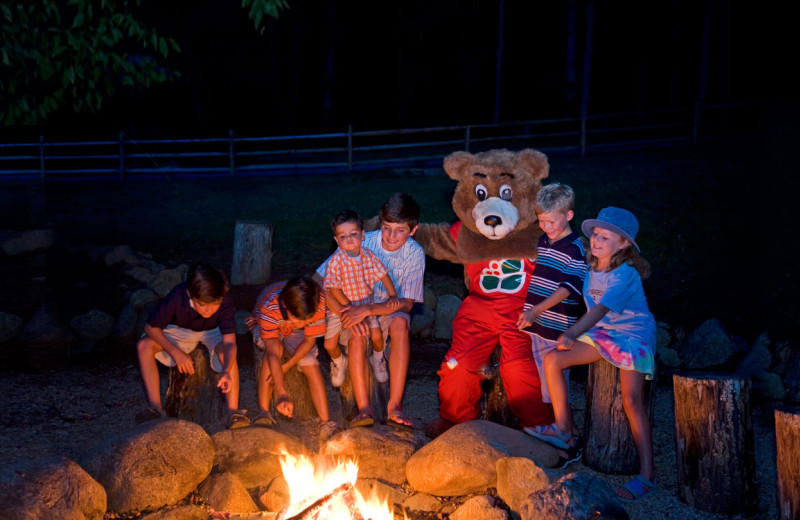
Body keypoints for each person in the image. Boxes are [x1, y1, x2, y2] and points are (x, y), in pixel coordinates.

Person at [526, 207, 657, 501]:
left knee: (631, 400)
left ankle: (647, 474)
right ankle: (565, 431)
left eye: (606, 237)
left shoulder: (625, 275)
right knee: (553, 359)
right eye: (595, 235)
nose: (596, 241)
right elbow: (581, 301)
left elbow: (599, 309)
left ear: (623, 244)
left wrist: (572, 332)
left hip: (633, 335)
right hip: (603, 333)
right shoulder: (590, 268)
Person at [315, 193, 425, 430]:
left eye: (400, 230)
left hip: (383, 310)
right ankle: (364, 407)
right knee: (357, 336)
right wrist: (347, 313)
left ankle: (394, 405)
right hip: (351, 308)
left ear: (413, 230)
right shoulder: (360, 239)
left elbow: (406, 304)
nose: (391, 236)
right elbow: (318, 281)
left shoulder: (414, 254)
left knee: (401, 324)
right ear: (379, 224)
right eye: (387, 228)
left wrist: (367, 309)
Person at [516, 183, 587, 468]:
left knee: (556, 378)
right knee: (544, 378)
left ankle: (565, 434)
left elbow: (567, 289)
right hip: (537, 322)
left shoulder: (576, 248)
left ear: (568, 215)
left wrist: (535, 310)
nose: (546, 227)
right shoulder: (545, 241)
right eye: (541, 221)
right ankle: (564, 430)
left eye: (552, 221)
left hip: (557, 322)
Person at [136, 262, 249, 429]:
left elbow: (230, 343)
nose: (209, 310)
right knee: (144, 346)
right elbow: (151, 328)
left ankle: (233, 412)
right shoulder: (178, 296)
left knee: (227, 354)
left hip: (212, 331)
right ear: (190, 294)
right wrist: (176, 352)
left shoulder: (224, 300)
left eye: (214, 305)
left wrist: (225, 371)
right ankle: (156, 409)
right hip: (179, 330)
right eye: (202, 304)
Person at [245, 277, 339, 441]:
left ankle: (325, 422)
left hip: (293, 329)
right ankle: (264, 412)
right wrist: (282, 393)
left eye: (306, 320)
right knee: (273, 353)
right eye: (299, 319)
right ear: (285, 305)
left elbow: (309, 341)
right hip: (268, 325)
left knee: (310, 362)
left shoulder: (315, 300)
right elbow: (273, 352)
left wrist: (287, 366)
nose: (302, 323)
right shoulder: (269, 307)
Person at [322, 210, 400, 388]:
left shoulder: (369, 256)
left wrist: (393, 294)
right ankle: (338, 361)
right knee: (328, 344)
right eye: (343, 236)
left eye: (353, 234)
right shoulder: (335, 261)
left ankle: (378, 358)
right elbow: (333, 288)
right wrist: (348, 307)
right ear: (336, 240)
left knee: (377, 335)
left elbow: (383, 275)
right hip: (342, 308)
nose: (349, 239)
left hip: (365, 304)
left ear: (363, 235)